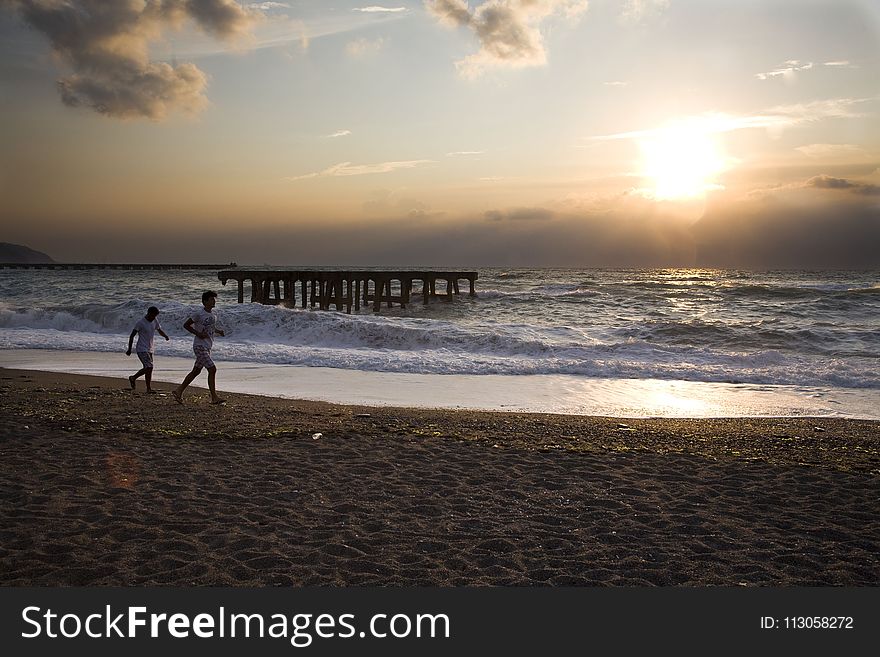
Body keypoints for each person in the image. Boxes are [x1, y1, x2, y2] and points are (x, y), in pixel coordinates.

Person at [173, 290, 226, 405]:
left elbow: (210, 328)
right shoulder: (199, 314)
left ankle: (178, 391)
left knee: (196, 371)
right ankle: (214, 397)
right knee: (212, 369)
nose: (214, 301)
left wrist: (218, 331)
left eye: (214, 299)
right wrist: (198, 333)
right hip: (199, 346)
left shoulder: (213, 315)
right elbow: (186, 325)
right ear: (205, 301)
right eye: (211, 299)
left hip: (207, 347)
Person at [126, 306, 169, 393]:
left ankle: (148, 388)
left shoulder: (155, 320)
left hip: (150, 348)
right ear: (148, 313)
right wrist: (129, 349)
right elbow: (132, 335)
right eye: (153, 315)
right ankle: (133, 377)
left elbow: (159, 329)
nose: (154, 317)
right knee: (149, 367)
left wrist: (165, 336)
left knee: (149, 369)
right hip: (141, 348)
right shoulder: (140, 323)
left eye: (155, 316)